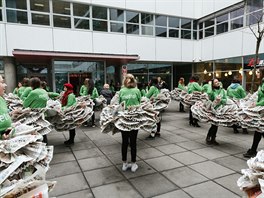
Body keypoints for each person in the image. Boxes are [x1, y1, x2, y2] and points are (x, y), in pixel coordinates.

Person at [119, 74, 141, 172]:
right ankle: (133, 164)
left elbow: (120, 104)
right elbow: (139, 103)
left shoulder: (122, 91)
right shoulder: (137, 90)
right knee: (133, 142)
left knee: (124, 142)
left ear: (125, 81)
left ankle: (124, 163)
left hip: (124, 119)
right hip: (135, 119)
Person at [23, 77, 49, 143]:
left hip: (34, 116)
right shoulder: (44, 91)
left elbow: (25, 104)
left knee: (36, 134)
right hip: (43, 114)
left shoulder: (33, 93)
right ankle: (46, 145)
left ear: (32, 85)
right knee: (43, 131)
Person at [243, 78, 264, 158]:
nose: (256, 73)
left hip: (262, 110)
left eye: (259, 71)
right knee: (258, 131)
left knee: (259, 130)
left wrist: (257, 104)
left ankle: (253, 150)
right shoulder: (262, 82)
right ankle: (253, 150)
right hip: (261, 110)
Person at [205, 78, 227, 145]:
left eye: (218, 81)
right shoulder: (212, 91)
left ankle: (213, 139)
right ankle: (209, 137)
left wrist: (220, 100)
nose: (217, 83)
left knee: (216, 125)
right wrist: (209, 86)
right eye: (215, 82)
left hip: (220, 110)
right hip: (213, 109)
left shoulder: (222, 90)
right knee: (214, 124)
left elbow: (225, 99)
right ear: (213, 84)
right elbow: (209, 96)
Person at [0, 75, 12, 140]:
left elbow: (8, 127)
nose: (5, 85)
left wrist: (7, 133)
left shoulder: (2, 100)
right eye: (2, 82)